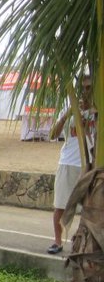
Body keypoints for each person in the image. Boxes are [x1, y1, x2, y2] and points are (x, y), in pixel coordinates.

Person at [47, 76, 96, 254]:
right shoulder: (69, 110)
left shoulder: (97, 111)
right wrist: (66, 115)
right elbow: (52, 135)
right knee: (60, 205)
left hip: (90, 165)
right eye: (82, 88)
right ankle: (57, 241)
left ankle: (88, 244)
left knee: (92, 207)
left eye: (89, 88)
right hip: (68, 163)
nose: (85, 92)